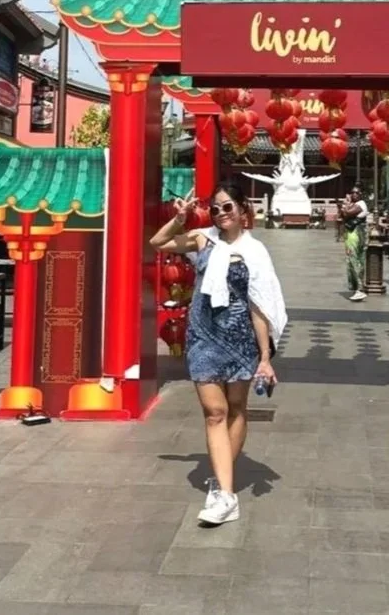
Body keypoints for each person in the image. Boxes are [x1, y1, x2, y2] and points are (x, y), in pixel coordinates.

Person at [150, 180, 287, 526]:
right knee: (215, 411)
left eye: (227, 207)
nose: (221, 214)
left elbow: (259, 303)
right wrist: (180, 217)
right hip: (203, 336)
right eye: (215, 208)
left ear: (243, 210)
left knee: (237, 409)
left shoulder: (255, 251)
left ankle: (221, 479)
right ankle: (227, 496)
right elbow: (159, 242)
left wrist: (265, 358)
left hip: (241, 340)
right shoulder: (202, 238)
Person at [341, 185, 369, 301]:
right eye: (352, 192)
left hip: (357, 234)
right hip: (351, 234)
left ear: (361, 194)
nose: (354, 195)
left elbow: (347, 213)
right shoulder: (353, 204)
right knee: (351, 261)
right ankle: (356, 288)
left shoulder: (361, 204)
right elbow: (342, 214)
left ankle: (360, 289)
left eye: (357, 193)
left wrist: (345, 204)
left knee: (355, 261)